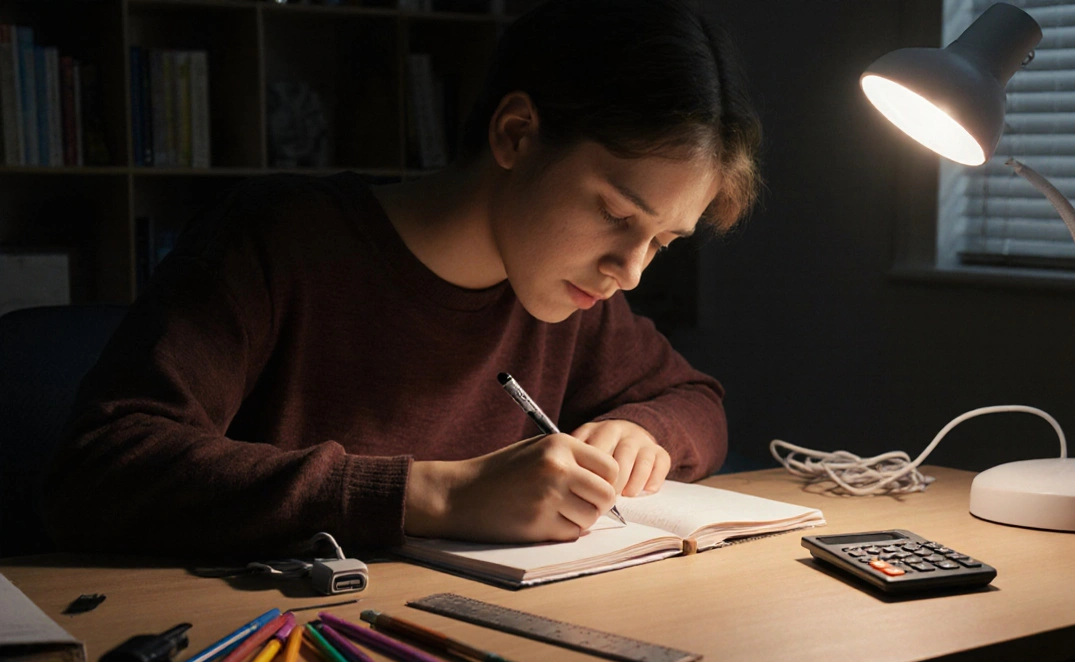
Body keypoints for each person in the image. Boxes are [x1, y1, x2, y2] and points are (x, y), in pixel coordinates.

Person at [40, 0, 763, 558]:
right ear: (515, 134)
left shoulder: (575, 294)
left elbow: (696, 400)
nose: (629, 270)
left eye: (662, 242)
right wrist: (435, 494)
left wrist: (644, 430)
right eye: (614, 213)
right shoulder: (279, 242)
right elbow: (106, 466)